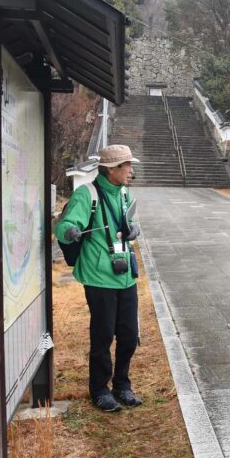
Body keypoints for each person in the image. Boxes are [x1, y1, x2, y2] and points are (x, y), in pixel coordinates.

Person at [55, 145, 143, 413]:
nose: (131, 170)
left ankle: (122, 385)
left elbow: (126, 223)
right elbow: (64, 226)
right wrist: (70, 230)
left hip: (124, 275)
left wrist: (133, 230)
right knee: (103, 335)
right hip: (99, 277)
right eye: (126, 165)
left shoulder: (124, 193)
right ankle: (99, 389)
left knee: (129, 335)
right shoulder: (87, 194)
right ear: (111, 169)